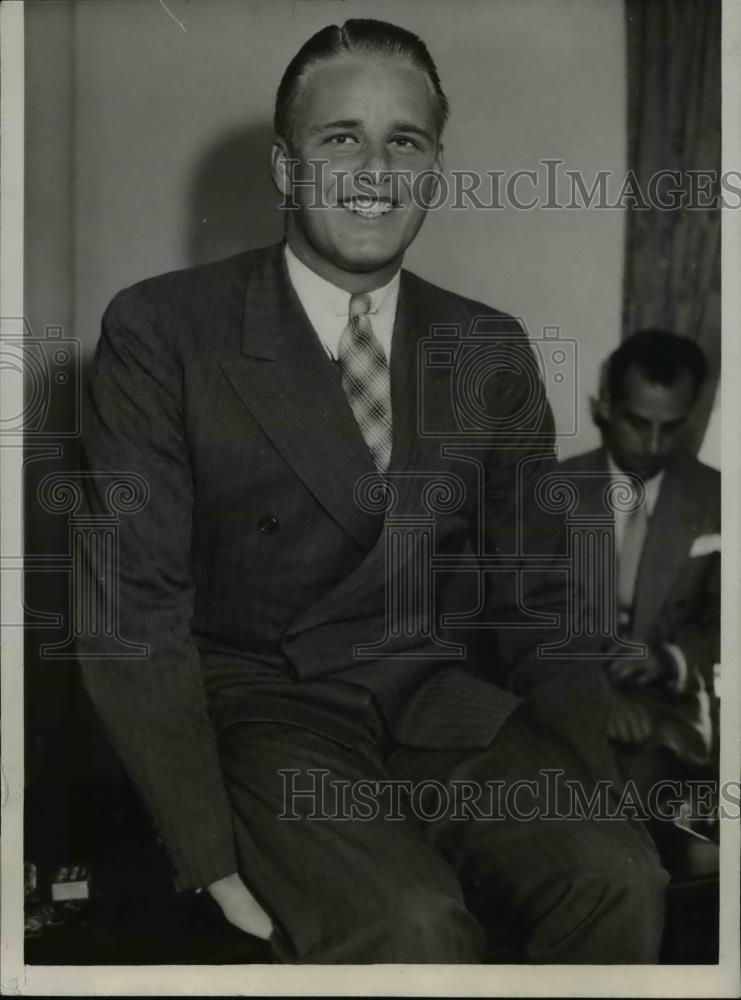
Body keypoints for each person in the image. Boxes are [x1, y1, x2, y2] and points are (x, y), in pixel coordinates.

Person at [77, 18, 667, 964]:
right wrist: (207, 856)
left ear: (434, 170)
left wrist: (591, 782)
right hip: (263, 715)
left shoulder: (487, 344)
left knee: (621, 881)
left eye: (405, 141)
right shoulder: (164, 329)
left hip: (435, 702)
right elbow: (132, 612)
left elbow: (539, 600)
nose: (373, 169)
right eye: (339, 137)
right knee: (414, 926)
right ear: (283, 168)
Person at [559, 330, 720, 799]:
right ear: (603, 407)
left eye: (671, 428)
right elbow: (518, 623)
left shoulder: (718, 499)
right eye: (636, 422)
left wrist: (668, 661)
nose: (652, 446)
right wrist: (595, 697)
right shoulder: (545, 492)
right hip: (563, 693)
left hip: (674, 713)